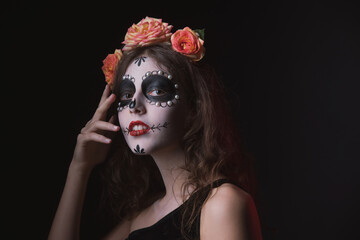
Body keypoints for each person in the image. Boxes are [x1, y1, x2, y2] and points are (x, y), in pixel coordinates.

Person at [49, 17, 263, 240]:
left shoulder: (221, 204)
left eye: (157, 91)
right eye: (126, 95)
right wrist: (79, 168)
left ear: (194, 107)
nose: (134, 106)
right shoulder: (137, 221)